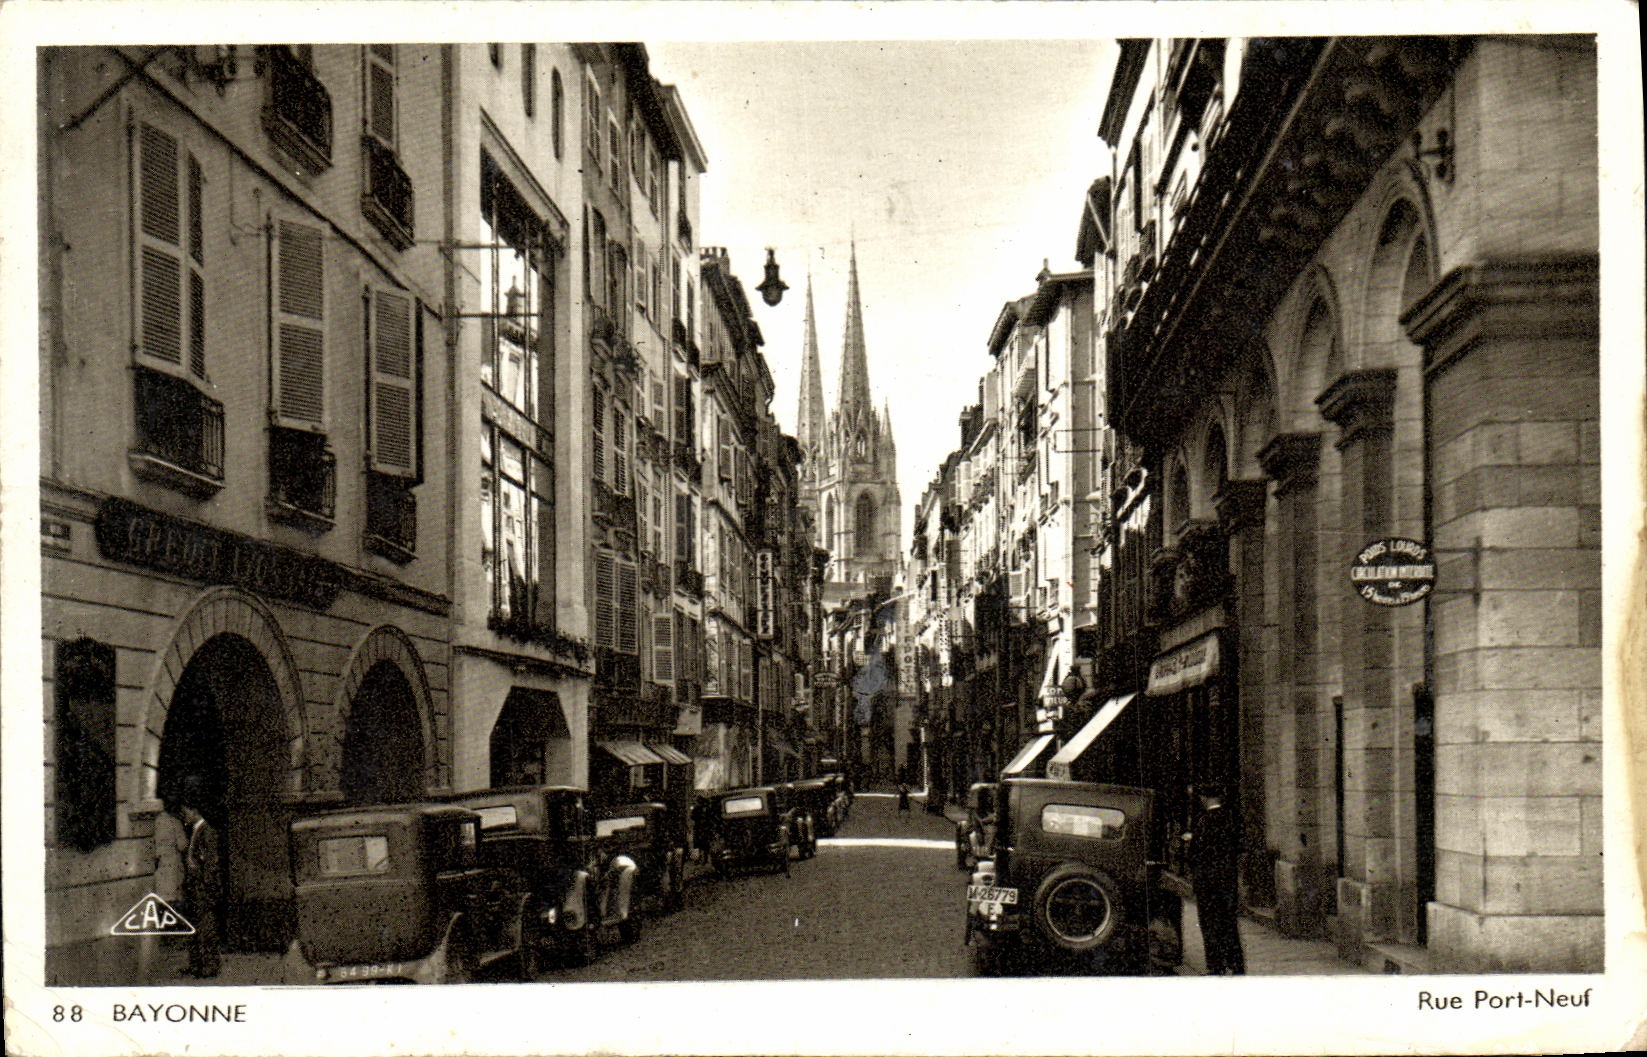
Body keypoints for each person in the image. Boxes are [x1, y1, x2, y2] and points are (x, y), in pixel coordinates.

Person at [1190, 786, 1246, 975]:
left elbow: (1197, 854)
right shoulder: (1231, 820)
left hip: (1207, 881)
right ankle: (1236, 964)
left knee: (1210, 924)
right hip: (1227, 879)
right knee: (1229, 922)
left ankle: (1216, 964)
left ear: (1205, 798)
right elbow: (1239, 848)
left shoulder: (1203, 822)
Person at [178, 804, 221, 979]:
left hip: (203, 888)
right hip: (195, 887)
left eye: (186, 812)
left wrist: (205, 884)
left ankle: (209, 965)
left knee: (206, 927)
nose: (184, 816)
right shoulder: (195, 831)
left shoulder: (207, 831)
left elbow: (211, 862)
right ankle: (196, 964)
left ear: (196, 811)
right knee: (195, 926)